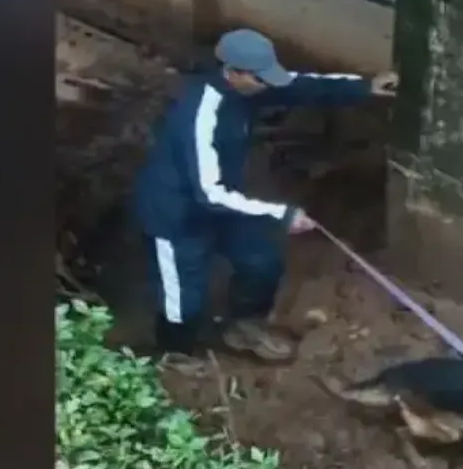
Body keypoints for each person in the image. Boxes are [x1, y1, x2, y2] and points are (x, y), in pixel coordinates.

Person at [132, 28, 398, 369]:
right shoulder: (201, 115)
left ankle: (244, 325)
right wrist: (281, 214)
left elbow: (301, 84)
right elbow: (208, 193)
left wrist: (364, 86)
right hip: (178, 214)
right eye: (262, 79)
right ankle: (175, 354)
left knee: (262, 263)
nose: (269, 85)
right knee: (183, 299)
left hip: (224, 202)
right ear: (234, 73)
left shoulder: (251, 86)